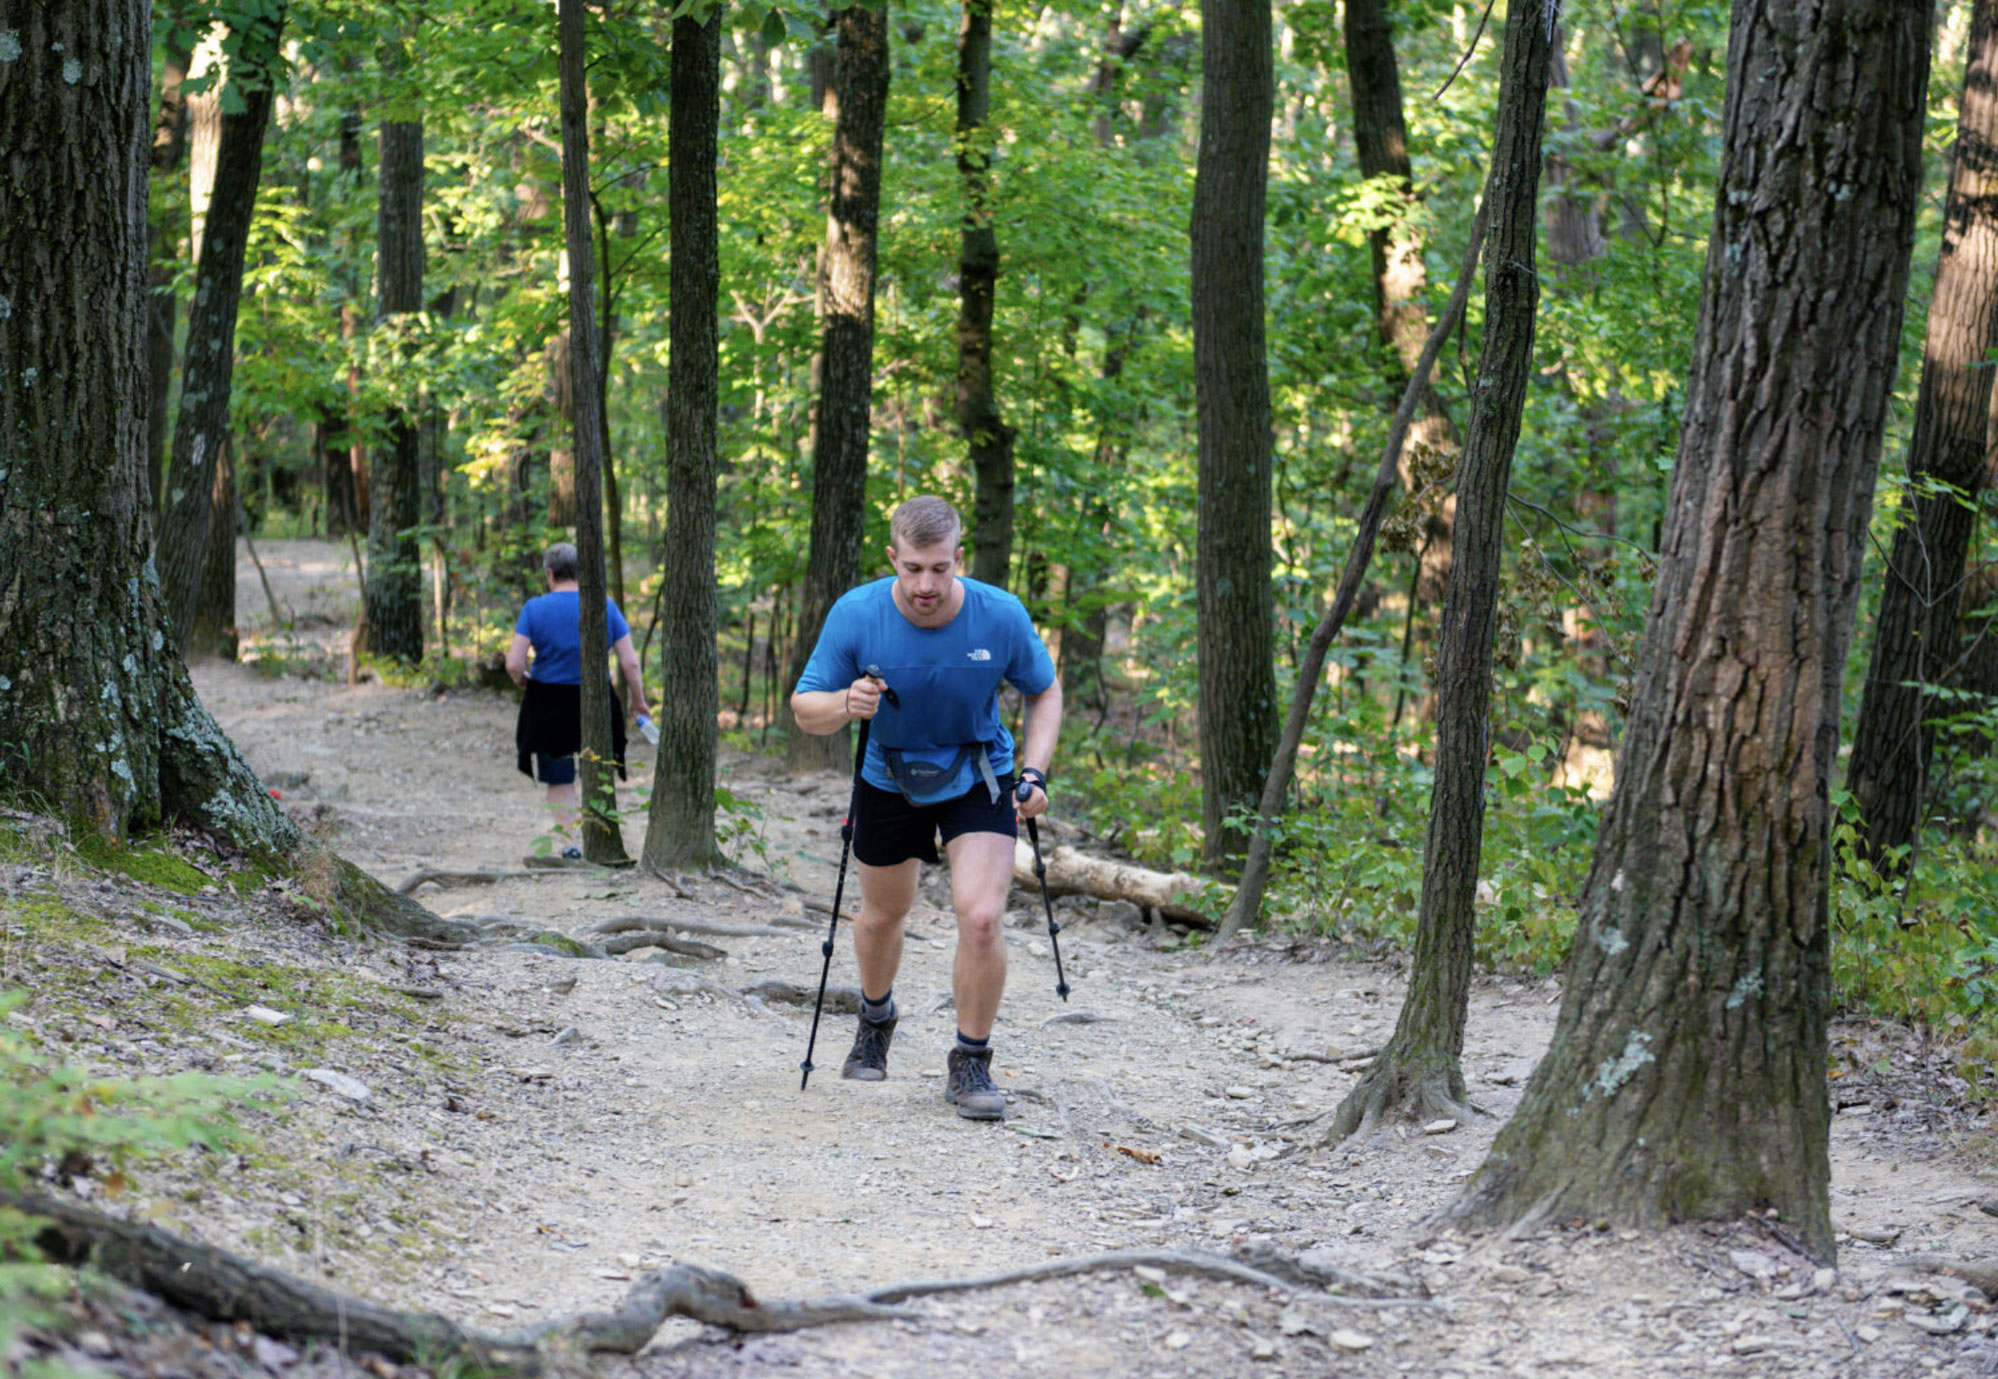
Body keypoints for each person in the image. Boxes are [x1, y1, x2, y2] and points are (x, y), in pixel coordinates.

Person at [791, 495, 1063, 1121]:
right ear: (893, 559)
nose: (925, 584)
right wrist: (846, 704)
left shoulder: (1000, 615)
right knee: (886, 914)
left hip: (979, 774)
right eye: (912, 568)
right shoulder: (856, 614)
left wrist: (1035, 772)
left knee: (982, 917)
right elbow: (806, 710)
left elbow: (1043, 691)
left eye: (939, 568)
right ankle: (875, 1015)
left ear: (958, 560)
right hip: (888, 774)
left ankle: (971, 1059)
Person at [507, 543, 650, 857]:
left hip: (547, 700)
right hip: (595, 697)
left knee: (559, 777)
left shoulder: (534, 608)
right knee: (597, 769)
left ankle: (570, 844)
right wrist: (639, 701)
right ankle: (600, 839)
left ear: (549, 573)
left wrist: (522, 681)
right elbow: (630, 663)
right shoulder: (604, 606)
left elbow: (514, 663)